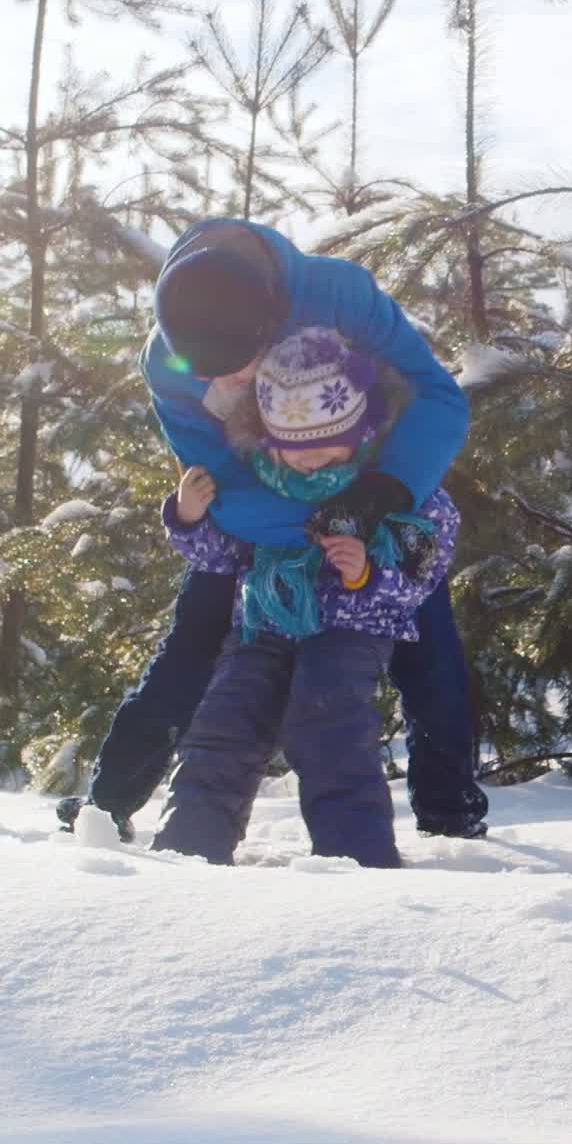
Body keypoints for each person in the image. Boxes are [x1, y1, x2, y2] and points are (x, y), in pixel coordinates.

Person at [57, 218, 488, 842]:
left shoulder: (337, 296)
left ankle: (451, 813)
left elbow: (438, 397)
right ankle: (107, 803)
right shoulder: (169, 360)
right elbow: (217, 478)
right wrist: (313, 528)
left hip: (384, 497)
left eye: (235, 370)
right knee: (191, 647)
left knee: (429, 650)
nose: (221, 387)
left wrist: (383, 496)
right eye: (205, 375)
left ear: (273, 322)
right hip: (256, 525)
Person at [152, 329, 459, 867]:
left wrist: (368, 572)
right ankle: (190, 848)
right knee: (225, 721)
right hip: (264, 620)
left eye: (325, 444)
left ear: (360, 428)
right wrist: (189, 518)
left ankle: (355, 856)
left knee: (328, 722)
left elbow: (425, 561)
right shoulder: (255, 481)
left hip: (351, 627)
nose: (310, 460)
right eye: (293, 448)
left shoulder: (395, 478)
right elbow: (223, 557)